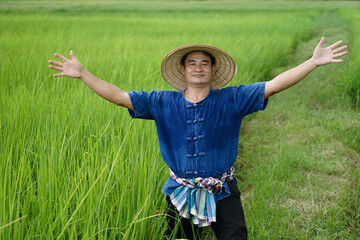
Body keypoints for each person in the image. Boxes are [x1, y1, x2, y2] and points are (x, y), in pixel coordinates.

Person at [49, 37, 347, 240]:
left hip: (222, 190)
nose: (198, 67)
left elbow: (274, 85)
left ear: (213, 69)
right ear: (183, 69)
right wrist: (84, 74)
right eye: (192, 63)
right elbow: (119, 96)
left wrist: (312, 62)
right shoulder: (161, 102)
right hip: (179, 192)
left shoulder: (233, 98)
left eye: (204, 63)